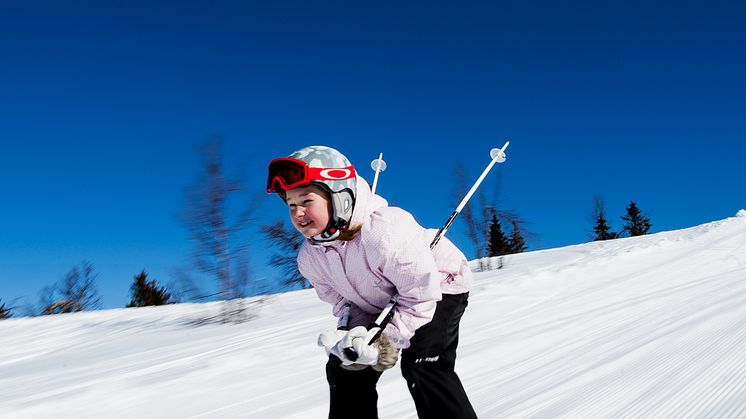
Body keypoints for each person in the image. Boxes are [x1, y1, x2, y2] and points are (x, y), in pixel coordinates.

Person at [266, 145, 477, 419]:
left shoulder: (385, 232)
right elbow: (345, 302)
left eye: (307, 201)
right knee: (345, 365)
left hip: (438, 285)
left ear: (339, 197)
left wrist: (388, 339)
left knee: (422, 362)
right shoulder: (310, 258)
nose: (298, 213)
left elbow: (420, 294)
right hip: (382, 298)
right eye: (291, 205)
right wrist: (353, 337)